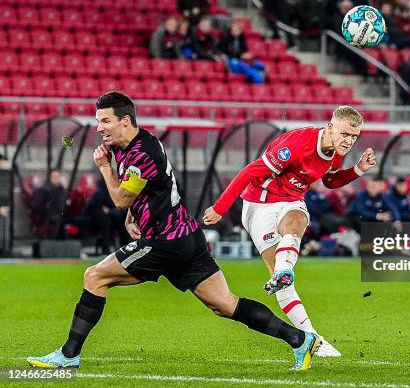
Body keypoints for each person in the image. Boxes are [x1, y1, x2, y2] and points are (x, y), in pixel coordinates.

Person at [27, 92, 321, 371]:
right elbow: (154, 187)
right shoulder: (137, 143)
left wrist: (105, 168)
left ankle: (68, 355)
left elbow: (119, 197)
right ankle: (300, 339)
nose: (99, 127)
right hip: (188, 237)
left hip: (163, 242)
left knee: (94, 276)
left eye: (105, 120)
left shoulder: (140, 154)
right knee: (225, 304)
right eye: (97, 120)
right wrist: (133, 214)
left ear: (125, 121)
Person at [203, 106, 377, 358]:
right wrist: (220, 208)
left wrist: (358, 170)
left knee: (296, 223)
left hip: (291, 201)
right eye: (344, 134)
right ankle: (312, 337)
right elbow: (249, 172)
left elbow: (330, 181)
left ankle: (285, 271)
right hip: (259, 204)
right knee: (281, 281)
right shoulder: (297, 145)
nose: (349, 141)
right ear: (330, 127)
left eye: (354, 136)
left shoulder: (335, 152)